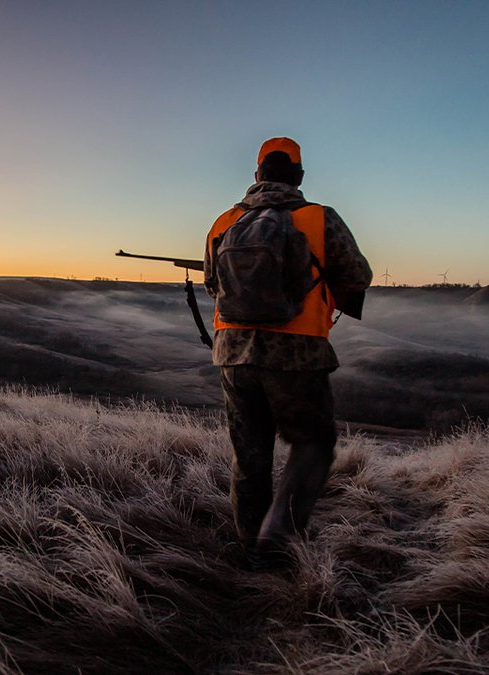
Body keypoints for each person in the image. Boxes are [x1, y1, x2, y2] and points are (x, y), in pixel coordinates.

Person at [203, 137, 372, 570]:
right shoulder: (318, 218)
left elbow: (211, 284)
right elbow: (358, 274)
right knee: (312, 443)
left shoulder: (224, 221)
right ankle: (277, 542)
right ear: (298, 176)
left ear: (257, 173)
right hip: (297, 354)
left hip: (234, 355)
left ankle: (250, 547)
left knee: (250, 455)